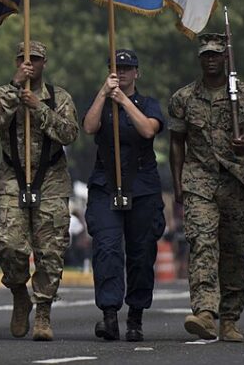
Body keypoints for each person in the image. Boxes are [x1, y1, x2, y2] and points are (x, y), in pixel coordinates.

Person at [169, 33, 244, 343]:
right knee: (202, 244)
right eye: (205, 55)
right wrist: (178, 186)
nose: (210, 59)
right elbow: (176, 143)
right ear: (199, 59)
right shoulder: (183, 98)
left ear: (225, 58)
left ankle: (230, 317)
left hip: (235, 181)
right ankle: (205, 313)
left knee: (234, 252)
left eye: (215, 54)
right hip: (199, 180)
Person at [0, 40, 79, 341]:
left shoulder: (58, 97)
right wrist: (15, 90)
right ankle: (18, 292)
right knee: (10, 246)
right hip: (13, 177)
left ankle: (43, 313)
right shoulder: (2, 93)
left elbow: (69, 133)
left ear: (44, 63)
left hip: (50, 178)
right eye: (24, 59)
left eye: (35, 59)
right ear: (16, 62)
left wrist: (38, 108)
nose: (30, 64)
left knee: (50, 252)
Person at [82, 49, 166, 342]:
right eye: (117, 68)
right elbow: (89, 127)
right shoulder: (103, 102)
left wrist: (124, 102)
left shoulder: (148, 104)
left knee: (141, 253)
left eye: (128, 68)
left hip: (142, 187)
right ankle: (108, 314)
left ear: (136, 73)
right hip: (106, 184)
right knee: (107, 249)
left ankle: (136, 316)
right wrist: (104, 94)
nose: (123, 72)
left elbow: (147, 130)